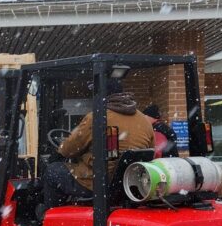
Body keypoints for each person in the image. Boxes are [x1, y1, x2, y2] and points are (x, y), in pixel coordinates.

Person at [42, 79, 154, 210]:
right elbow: (152, 150)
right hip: (129, 183)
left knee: (52, 171)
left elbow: (71, 147)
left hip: (98, 182)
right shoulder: (144, 121)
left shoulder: (97, 117)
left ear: (102, 95)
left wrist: (58, 153)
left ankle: (50, 217)